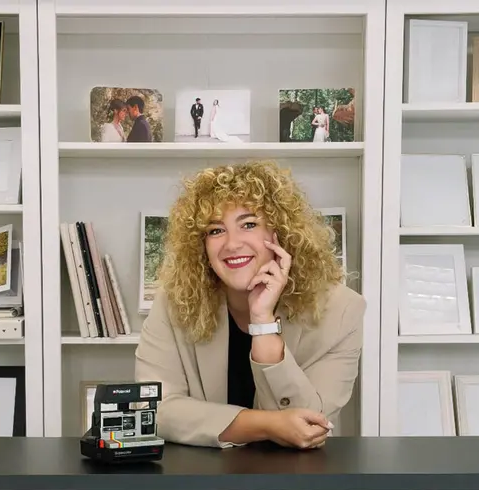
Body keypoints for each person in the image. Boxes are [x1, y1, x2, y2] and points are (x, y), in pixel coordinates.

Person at [135, 160, 364, 449]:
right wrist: (266, 425)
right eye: (215, 230)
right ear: (201, 245)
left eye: (249, 224)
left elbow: (312, 427)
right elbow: (153, 408)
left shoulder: (342, 310)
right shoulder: (176, 300)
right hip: (199, 482)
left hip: (297, 484)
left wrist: (263, 322)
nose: (232, 244)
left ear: (280, 233)